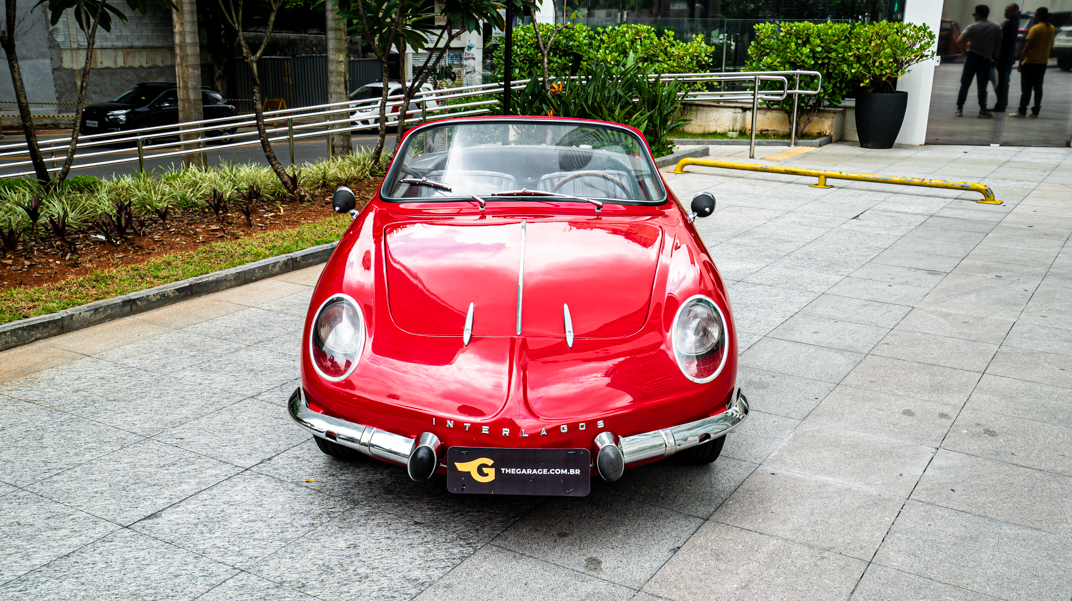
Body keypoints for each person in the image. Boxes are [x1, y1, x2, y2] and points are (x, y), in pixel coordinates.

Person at [956, 5, 1003, 117]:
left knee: (965, 84)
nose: (974, 17)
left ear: (978, 14)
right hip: (986, 59)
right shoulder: (997, 27)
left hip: (972, 57)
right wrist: (996, 58)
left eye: (974, 14)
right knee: (982, 85)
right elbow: (998, 45)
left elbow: (959, 40)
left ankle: (959, 108)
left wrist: (964, 52)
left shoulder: (972, 27)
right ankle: (982, 109)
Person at [1010, 7, 1056, 117]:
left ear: (1039, 16)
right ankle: (1035, 112)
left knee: (1026, 89)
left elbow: (1027, 47)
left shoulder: (1035, 28)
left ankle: (1022, 111)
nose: (1034, 17)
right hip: (1042, 63)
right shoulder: (1052, 28)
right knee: (1038, 88)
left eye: (1035, 15)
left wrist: (1020, 62)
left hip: (1031, 62)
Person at [992, 3, 1020, 111]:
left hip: (1004, 57)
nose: (1005, 12)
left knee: (1001, 81)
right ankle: (1002, 102)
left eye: (1008, 11)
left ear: (1015, 12)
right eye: (1005, 10)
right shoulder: (1011, 22)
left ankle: (1001, 104)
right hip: (1006, 57)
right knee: (1002, 80)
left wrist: (997, 57)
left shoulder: (1012, 24)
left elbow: (1003, 43)